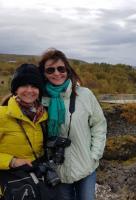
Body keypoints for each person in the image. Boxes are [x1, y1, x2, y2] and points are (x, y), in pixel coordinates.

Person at [38, 48, 107, 200]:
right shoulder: (40, 100)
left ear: (67, 70)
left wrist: (94, 155)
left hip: (86, 167)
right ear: (44, 73)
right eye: (50, 70)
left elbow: (99, 124)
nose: (56, 73)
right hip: (58, 171)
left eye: (60, 68)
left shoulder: (85, 94)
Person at [0, 64, 47, 197]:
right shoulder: (2, 115)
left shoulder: (43, 116)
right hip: (9, 184)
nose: (29, 90)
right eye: (24, 86)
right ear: (15, 89)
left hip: (34, 181)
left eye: (34, 86)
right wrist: (12, 161)